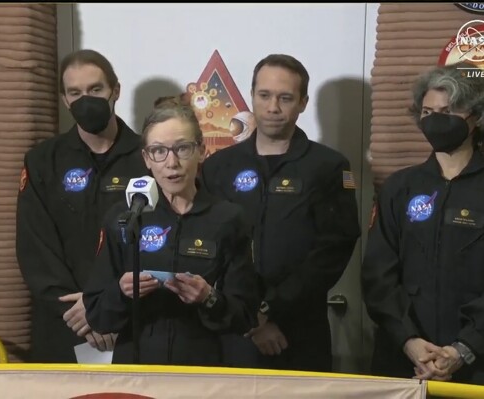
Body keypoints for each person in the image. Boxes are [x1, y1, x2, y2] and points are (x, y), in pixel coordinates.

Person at [201, 54, 361, 372]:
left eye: (285, 98)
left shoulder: (328, 167)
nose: (273, 107)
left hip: (300, 329)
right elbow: (209, 247)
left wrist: (269, 309)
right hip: (232, 328)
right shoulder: (218, 167)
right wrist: (251, 318)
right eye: (264, 95)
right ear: (252, 96)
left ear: (302, 103)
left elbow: (333, 249)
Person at [82, 100, 259, 366]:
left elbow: (245, 314)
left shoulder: (228, 218)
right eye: (158, 151)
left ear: (201, 150)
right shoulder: (126, 217)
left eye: (182, 148)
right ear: (146, 159)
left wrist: (209, 298)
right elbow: (97, 314)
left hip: (206, 368)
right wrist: (121, 293)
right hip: (137, 365)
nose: (171, 162)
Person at [15, 49, 150, 363]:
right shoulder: (42, 160)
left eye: (95, 90)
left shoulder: (151, 157)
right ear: (64, 99)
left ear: (115, 90)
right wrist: (79, 312)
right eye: (75, 92)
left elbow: (161, 240)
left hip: (132, 323)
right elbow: (35, 246)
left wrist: (109, 306)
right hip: (65, 323)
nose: (85, 99)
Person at [361, 62, 484, 384]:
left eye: (448, 111)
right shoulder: (400, 187)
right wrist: (409, 341)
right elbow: (378, 276)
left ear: (476, 116)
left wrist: (463, 349)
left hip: (476, 365)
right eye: (428, 113)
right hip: (404, 360)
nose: (436, 121)